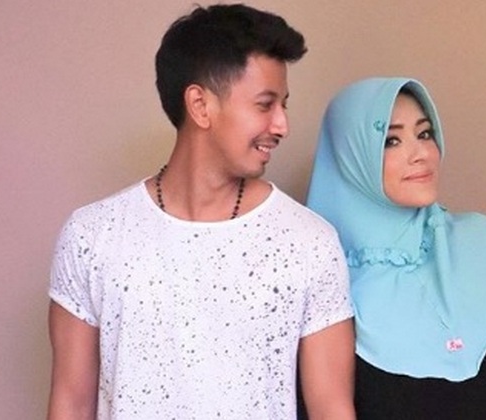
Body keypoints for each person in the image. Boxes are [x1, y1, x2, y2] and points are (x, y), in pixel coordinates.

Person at [46, 4, 355, 419]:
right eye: (265, 105)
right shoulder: (92, 236)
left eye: (284, 105)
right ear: (200, 105)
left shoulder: (309, 242)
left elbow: (332, 409)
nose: (282, 125)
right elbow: (71, 402)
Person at [305, 77, 486, 419]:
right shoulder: (325, 279)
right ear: (350, 156)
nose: (421, 154)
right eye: (392, 140)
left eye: (425, 133)